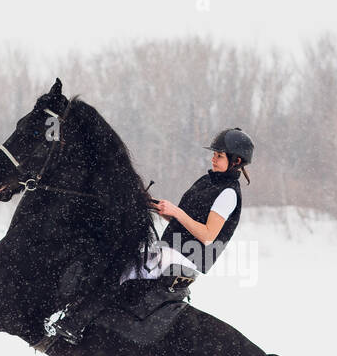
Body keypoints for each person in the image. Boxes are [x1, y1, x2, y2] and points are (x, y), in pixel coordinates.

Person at [50, 127, 254, 344]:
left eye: (219, 155)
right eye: (214, 154)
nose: (213, 159)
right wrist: (156, 207)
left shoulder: (228, 193)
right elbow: (185, 223)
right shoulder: (207, 182)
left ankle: (75, 324)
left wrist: (176, 211)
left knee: (123, 270)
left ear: (237, 160)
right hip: (171, 248)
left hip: (186, 257)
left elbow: (207, 236)